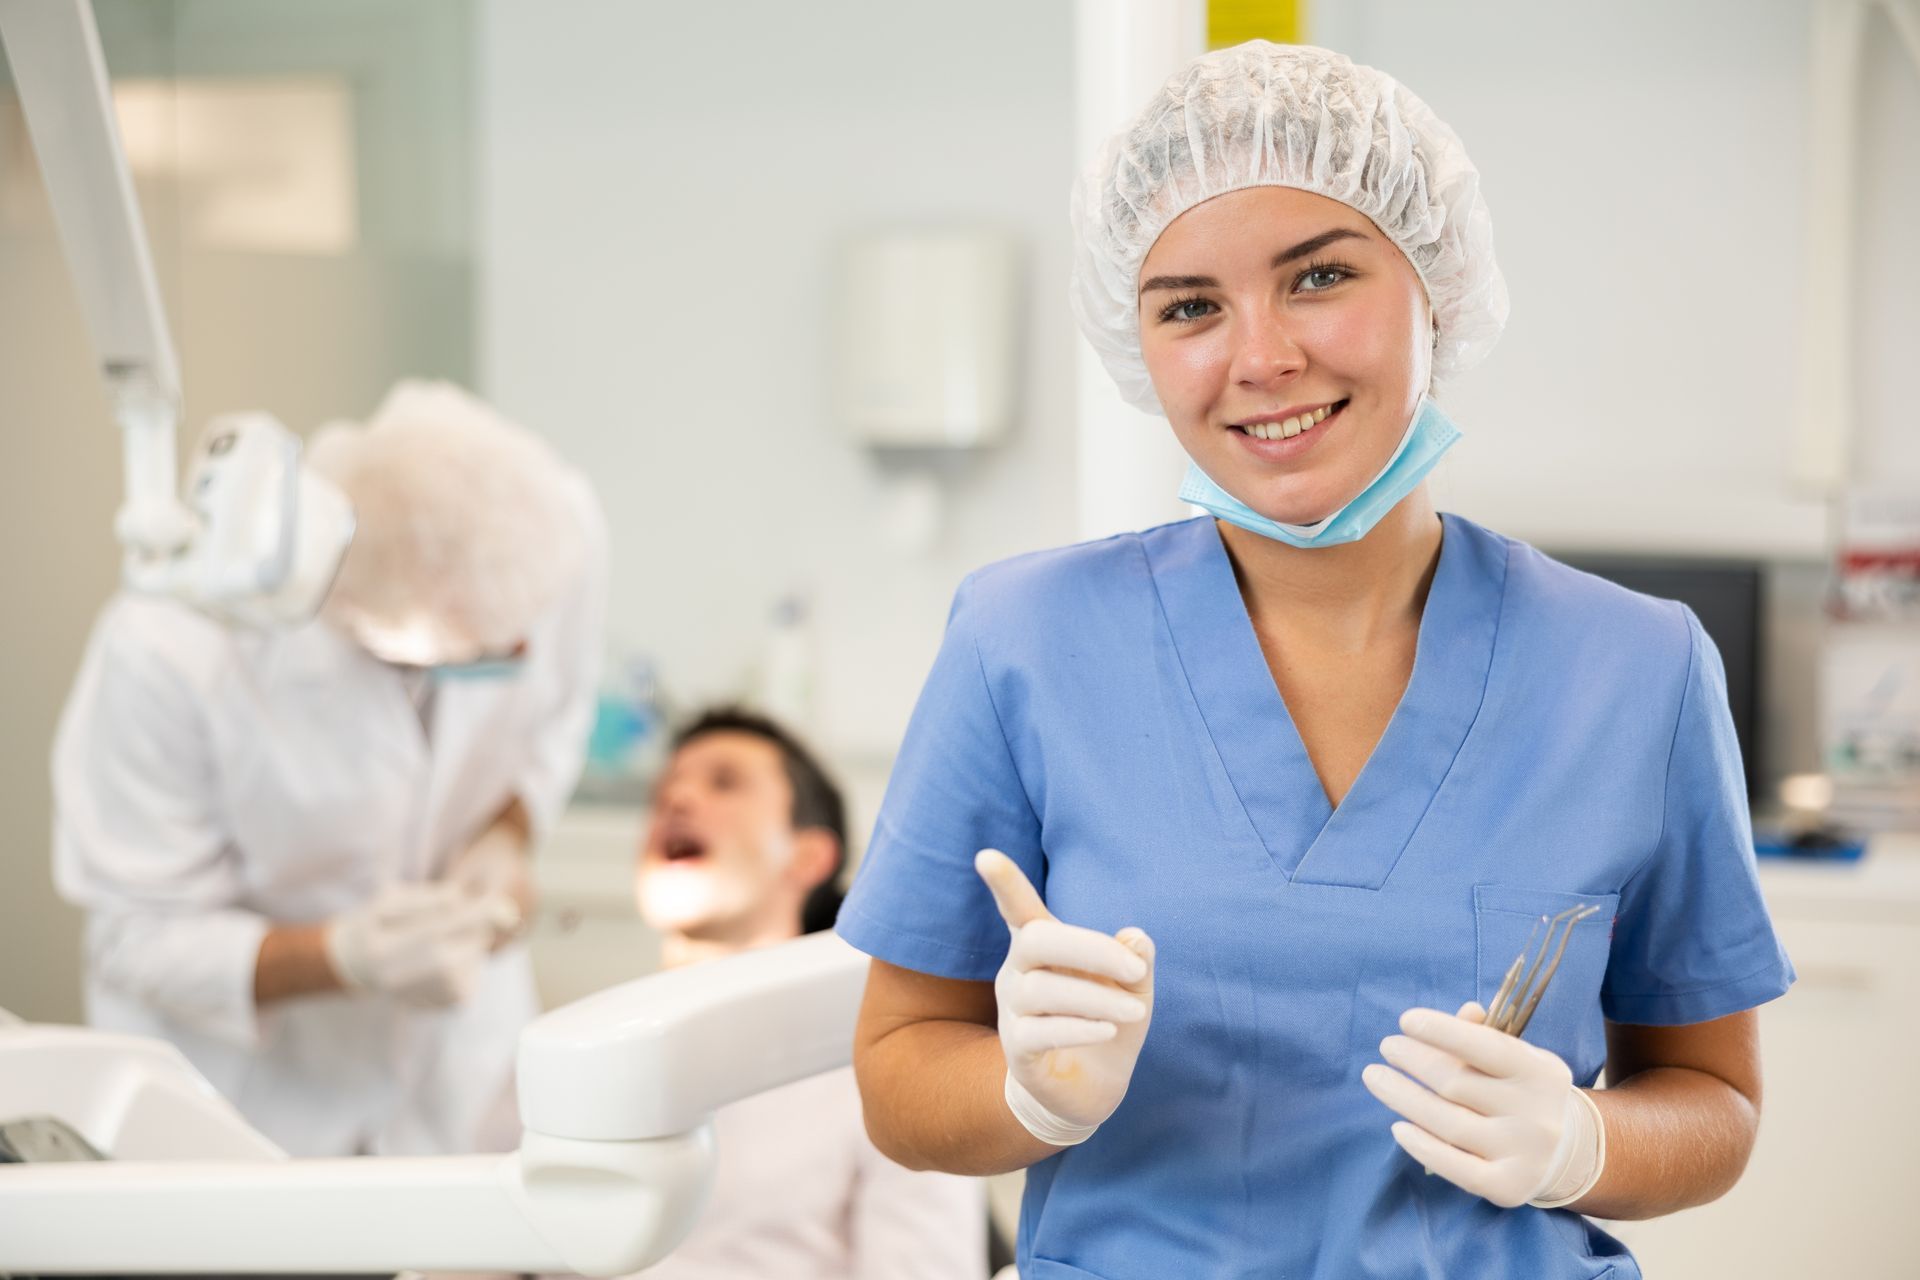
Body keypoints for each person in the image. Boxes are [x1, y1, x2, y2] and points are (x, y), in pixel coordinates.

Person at [836, 41, 1794, 1279]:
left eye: (1319, 276)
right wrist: (1033, 1096)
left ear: (1435, 288)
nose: (1261, 357)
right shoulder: (1024, 642)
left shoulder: (1638, 670)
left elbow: (1716, 1099)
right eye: (1189, 305)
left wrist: (1580, 1139)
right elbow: (900, 1071)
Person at [52, 380, 605, 1158]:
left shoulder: (554, 526)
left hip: (457, 1069)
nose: (515, 657)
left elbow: (555, 717)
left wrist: (506, 837)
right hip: (253, 1097)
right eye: (476, 653)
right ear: (366, 627)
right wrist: (343, 957)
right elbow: (136, 935)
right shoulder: (171, 650)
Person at [626, 708, 985, 1280]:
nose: (677, 799)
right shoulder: (569, 1049)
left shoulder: (891, 1076)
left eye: (723, 782)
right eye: (664, 787)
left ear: (810, 856)